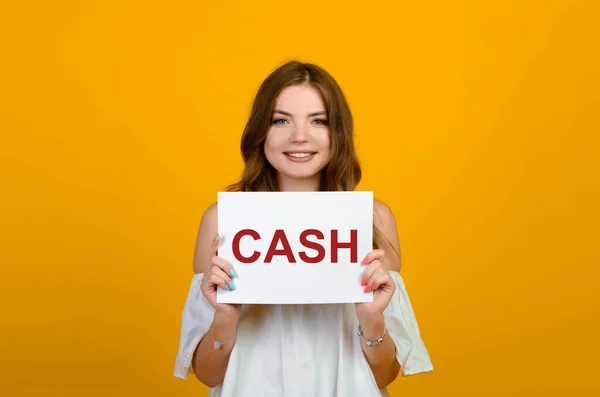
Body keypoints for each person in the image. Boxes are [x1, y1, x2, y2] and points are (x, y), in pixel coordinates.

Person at [173, 60, 433, 396]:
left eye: (318, 121)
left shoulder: (372, 218)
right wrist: (224, 316)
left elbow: (384, 376)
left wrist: (371, 319)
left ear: (336, 132)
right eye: (280, 120)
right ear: (260, 132)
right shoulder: (222, 220)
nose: (299, 137)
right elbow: (208, 374)